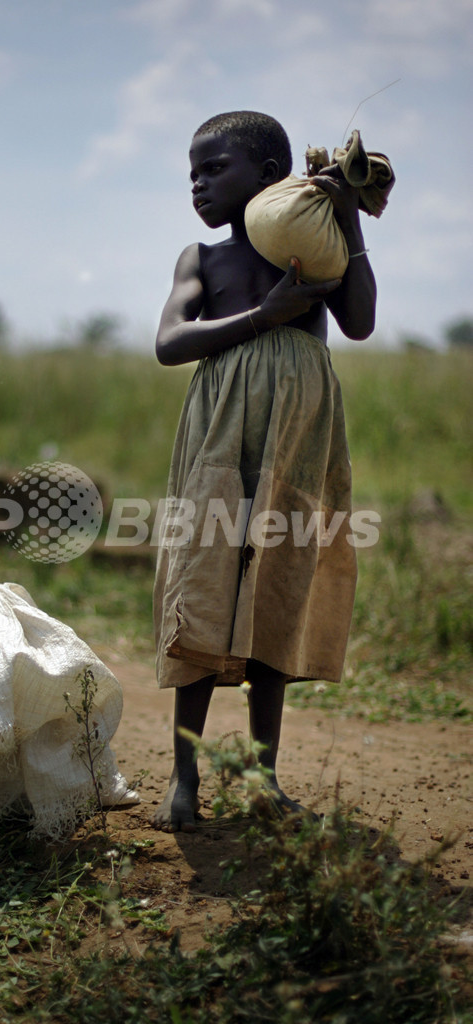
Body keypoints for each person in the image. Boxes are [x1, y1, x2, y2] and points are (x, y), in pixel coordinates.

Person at [152, 110, 377, 832]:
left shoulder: (318, 250)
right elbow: (170, 342)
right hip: (220, 433)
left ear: (270, 177)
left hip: (297, 435)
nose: (198, 184)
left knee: (275, 580)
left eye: (214, 168)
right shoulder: (201, 259)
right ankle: (183, 782)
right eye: (192, 171)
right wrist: (264, 314)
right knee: (205, 579)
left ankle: (262, 778)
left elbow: (361, 323)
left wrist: (348, 222)